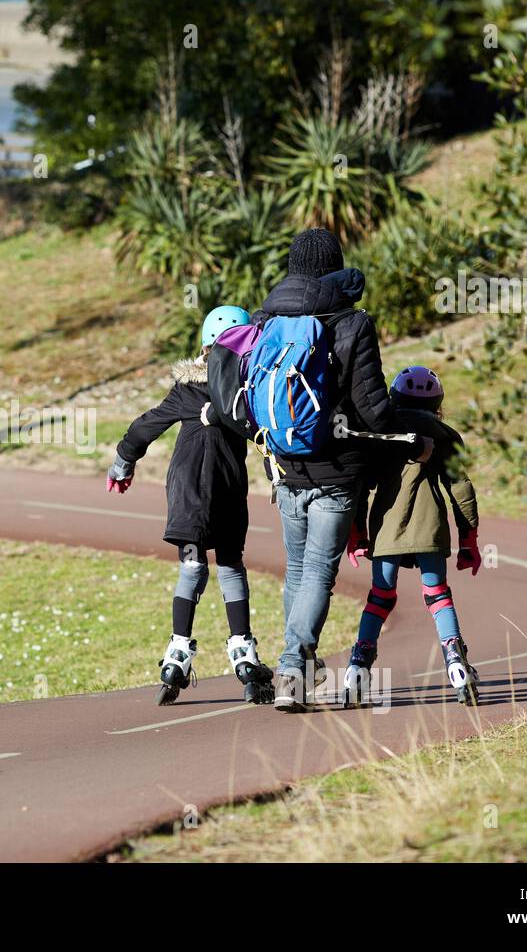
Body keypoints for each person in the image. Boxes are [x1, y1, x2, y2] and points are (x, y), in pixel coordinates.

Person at [204, 228, 430, 713]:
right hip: (338, 470)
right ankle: (291, 668)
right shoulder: (352, 322)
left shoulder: (264, 319)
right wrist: (406, 435)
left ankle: (300, 671)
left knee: (300, 571)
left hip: (283, 467)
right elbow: (372, 408)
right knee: (318, 575)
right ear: (335, 265)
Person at [106, 306, 276, 706]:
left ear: (203, 347)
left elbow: (146, 424)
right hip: (229, 490)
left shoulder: (187, 389)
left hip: (187, 493)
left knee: (192, 564)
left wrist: (122, 463)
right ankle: (245, 657)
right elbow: (268, 434)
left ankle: (177, 656)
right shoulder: (246, 388)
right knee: (231, 565)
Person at [342, 365, 482, 706]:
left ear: (394, 397)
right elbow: (461, 489)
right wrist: (469, 540)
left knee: (381, 597)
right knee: (436, 595)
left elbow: (361, 486)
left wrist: (357, 533)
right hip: (431, 528)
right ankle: (455, 661)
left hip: (386, 530)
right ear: (438, 403)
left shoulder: (379, 433)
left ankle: (359, 665)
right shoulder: (446, 435)